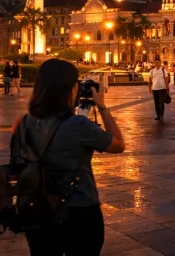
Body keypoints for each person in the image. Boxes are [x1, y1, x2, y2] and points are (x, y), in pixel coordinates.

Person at [17, 58, 124, 256]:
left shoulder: (24, 122)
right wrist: (101, 107)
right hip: (80, 209)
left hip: (38, 209)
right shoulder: (77, 125)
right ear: (69, 89)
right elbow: (118, 144)